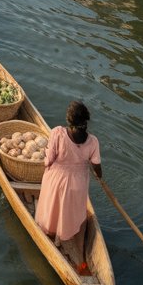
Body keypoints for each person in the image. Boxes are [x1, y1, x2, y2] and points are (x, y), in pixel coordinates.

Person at [35, 101, 103, 274]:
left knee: (54, 204)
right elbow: (96, 166)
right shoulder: (93, 141)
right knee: (72, 209)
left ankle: (52, 232)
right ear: (86, 120)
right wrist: (100, 177)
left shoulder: (57, 133)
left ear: (69, 120)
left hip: (57, 180)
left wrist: (45, 160)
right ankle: (67, 235)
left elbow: (49, 159)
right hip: (78, 184)